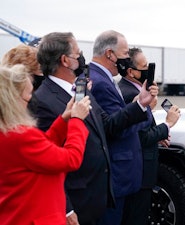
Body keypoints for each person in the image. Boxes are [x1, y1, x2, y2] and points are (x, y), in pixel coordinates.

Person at [28, 32, 157, 225]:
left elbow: (108, 124)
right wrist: (66, 208)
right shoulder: (42, 101)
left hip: (98, 197)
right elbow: (45, 162)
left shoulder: (81, 90)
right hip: (77, 203)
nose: (82, 59)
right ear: (65, 60)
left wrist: (140, 104)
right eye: (78, 53)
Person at [0, 64, 91, 225]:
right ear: (12, 100)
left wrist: (64, 120)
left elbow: (42, 151)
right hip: (36, 216)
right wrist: (77, 121)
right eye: (28, 97)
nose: (30, 101)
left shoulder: (8, 132)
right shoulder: (20, 135)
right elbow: (71, 159)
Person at [89, 30, 161, 225]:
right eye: (125, 53)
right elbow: (116, 126)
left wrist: (140, 104)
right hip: (117, 174)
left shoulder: (104, 78)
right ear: (110, 54)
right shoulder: (100, 82)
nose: (127, 59)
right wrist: (142, 107)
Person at [119, 47, 181, 225]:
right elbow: (140, 136)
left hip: (139, 171)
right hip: (139, 172)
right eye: (145, 67)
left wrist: (158, 135)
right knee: (136, 217)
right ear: (131, 72)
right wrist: (167, 124)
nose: (149, 71)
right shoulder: (131, 95)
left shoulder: (133, 90)